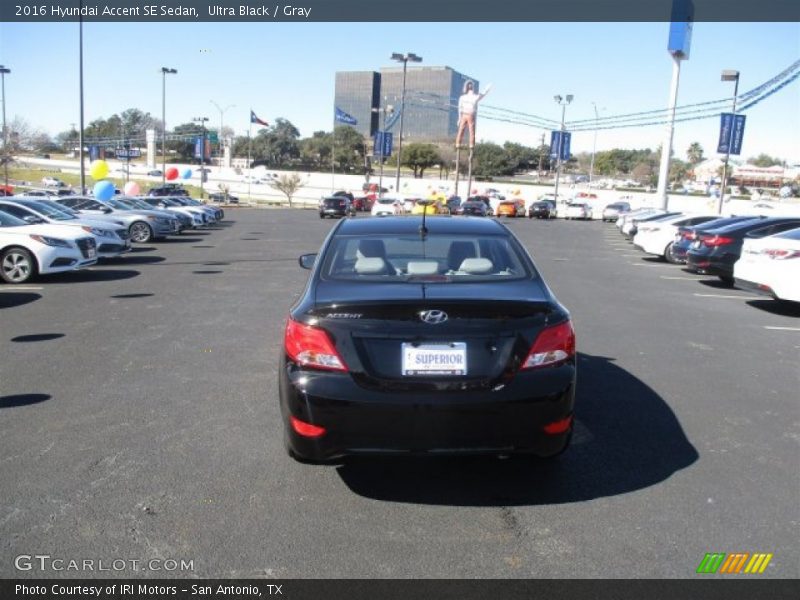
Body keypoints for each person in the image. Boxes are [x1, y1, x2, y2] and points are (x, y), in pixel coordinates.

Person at [456, 81, 492, 149]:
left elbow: (460, 108)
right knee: (471, 132)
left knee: (461, 130)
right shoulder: (474, 97)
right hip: (470, 114)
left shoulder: (462, 97)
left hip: (464, 114)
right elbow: (483, 94)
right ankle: (471, 146)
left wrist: (459, 118)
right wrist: (487, 89)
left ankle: (458, 145)